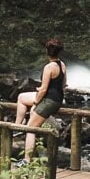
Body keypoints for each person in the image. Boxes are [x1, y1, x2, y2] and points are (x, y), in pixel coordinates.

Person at [16, 38, 66, 166]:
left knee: (31, 129)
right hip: (57, 98)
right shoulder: (62, 65)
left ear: (47, 51)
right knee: (21, 97)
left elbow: (43, 89)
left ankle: (26, 160)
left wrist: (35, 103)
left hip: (49, 100)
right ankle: (17, 126)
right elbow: (64, 85)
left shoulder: (48, 67)